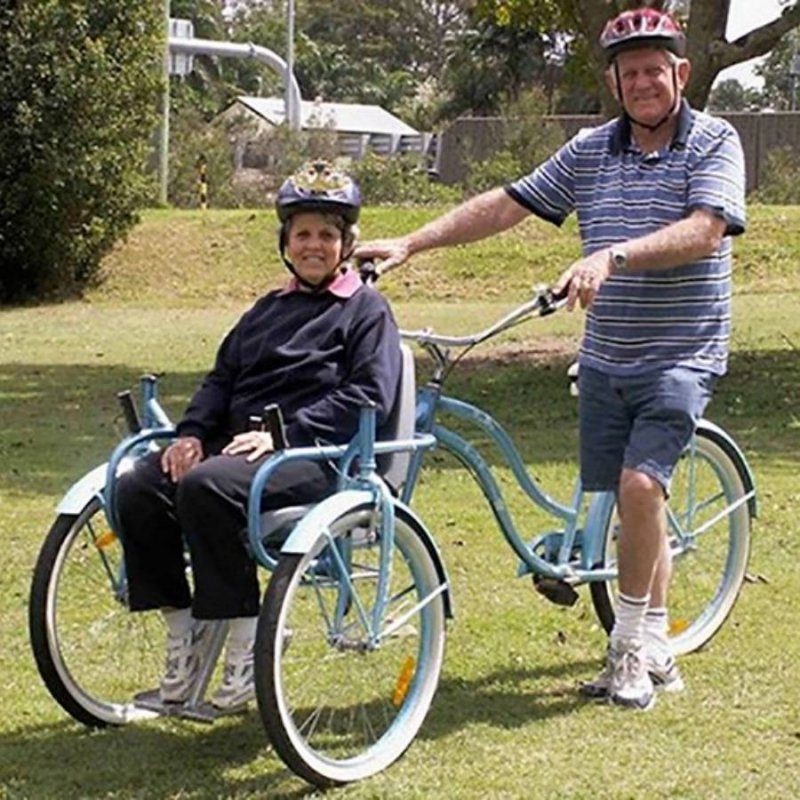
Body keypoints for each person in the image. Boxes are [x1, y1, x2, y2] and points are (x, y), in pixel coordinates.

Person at [354, 8, 746, 711]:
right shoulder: (592, 150)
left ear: (681, 74)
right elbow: (508, 204)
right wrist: (413, 243)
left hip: (681, 351)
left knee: (640, 488)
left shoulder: (714, 141)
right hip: (606, 356)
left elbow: (705, 230)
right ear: (613, 82)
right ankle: (656, 640)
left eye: (655, 69)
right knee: (629, 502)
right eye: (629, 73)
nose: (643, 82)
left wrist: (611, 256)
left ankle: (628, 650)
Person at [115, 162, 402, 711]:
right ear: (285, 243)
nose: (313, 245)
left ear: (346, 244)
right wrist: (191, 435)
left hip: (317, 456)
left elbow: (369, 395)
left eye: (326, 234)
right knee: (138, 485)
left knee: (206, 486)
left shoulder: (367, 312)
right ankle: (184, 632)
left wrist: (283, 435)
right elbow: (221, 380)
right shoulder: (265, 310)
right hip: (236, 450)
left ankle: (247, 645)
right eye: (302, 234)